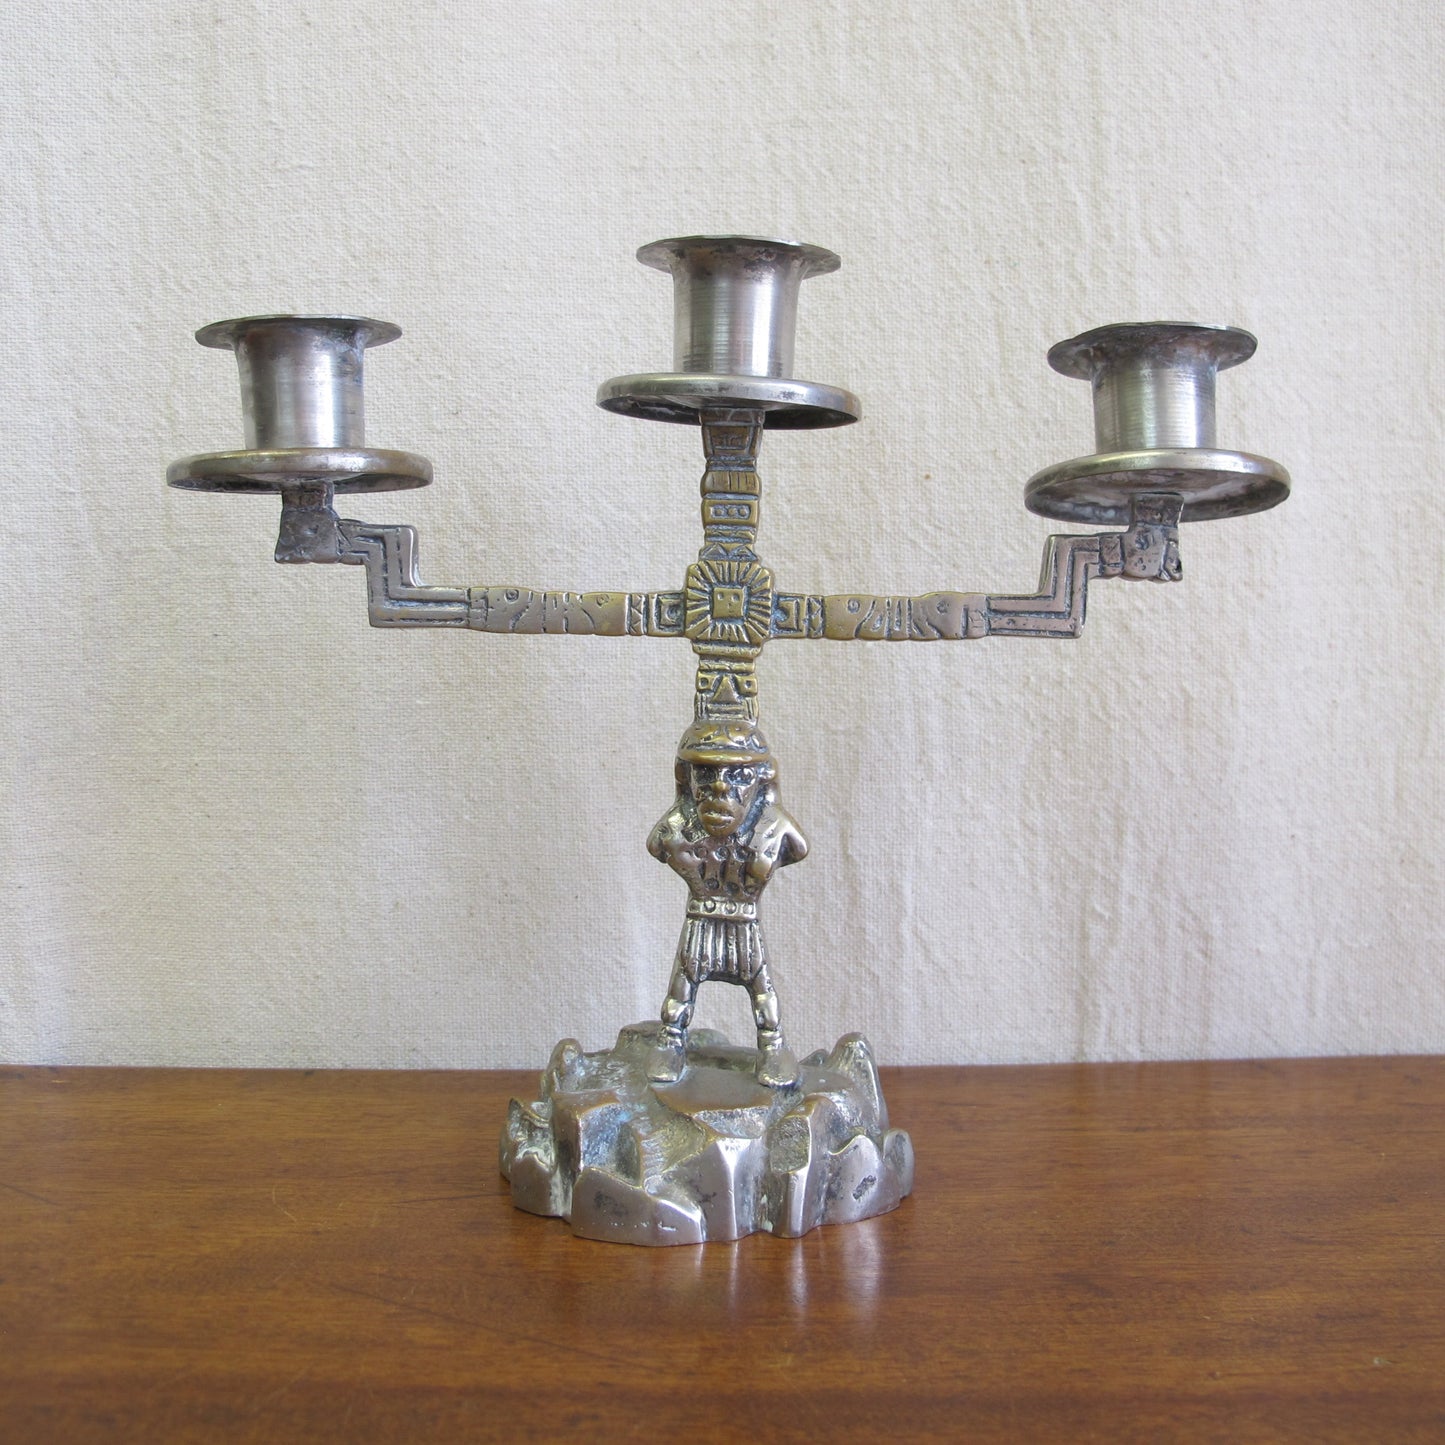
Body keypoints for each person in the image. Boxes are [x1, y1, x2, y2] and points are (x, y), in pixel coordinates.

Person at [646, 718, 808, 1087]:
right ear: (686, 778)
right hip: (702, 916)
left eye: (737, 777)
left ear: (761, 779)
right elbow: (656, 844)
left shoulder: (769, 825)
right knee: (684, 984)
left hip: (744, 921)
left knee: (760, 987)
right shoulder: (681, 823)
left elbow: (799, 848)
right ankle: (672, 1040)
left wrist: (772, 818)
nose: (720, 787)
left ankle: (772, 1045)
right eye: (706, 775)